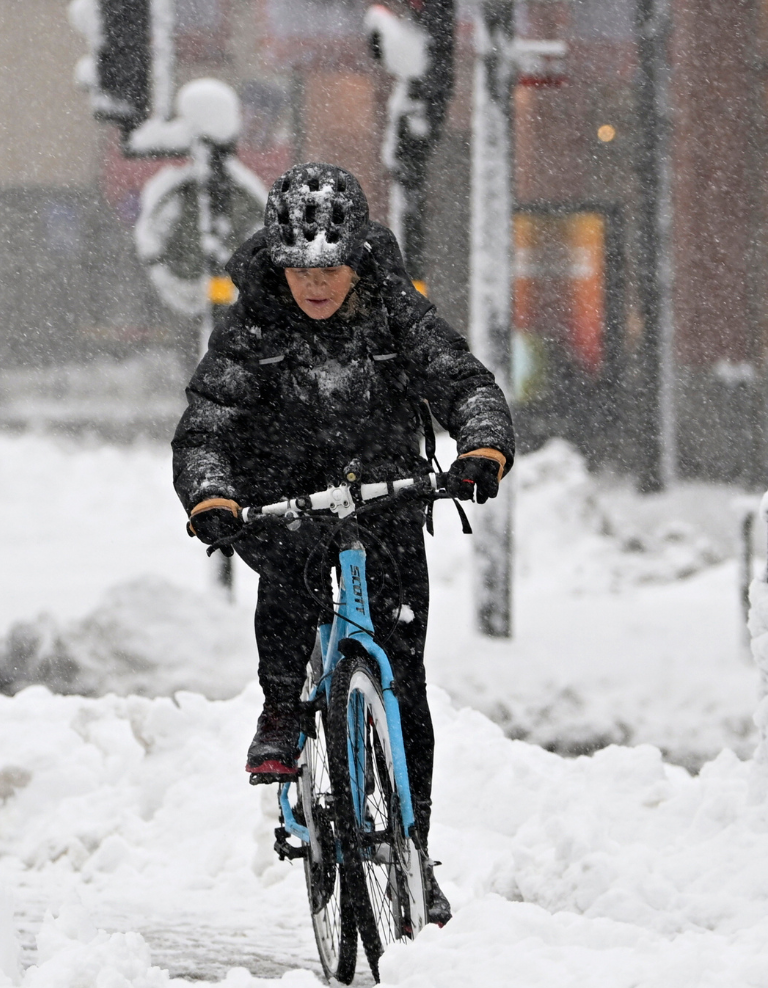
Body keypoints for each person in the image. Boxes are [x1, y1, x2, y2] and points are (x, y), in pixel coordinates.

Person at [172, 163, 513, 926]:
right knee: (291, 586)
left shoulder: (395, 311)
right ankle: (282, 714)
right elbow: (205, 427)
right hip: (284, 504)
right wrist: (213, 494)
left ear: (357, 256)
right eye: (301, 271)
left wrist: (482, 441)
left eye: (330, 268)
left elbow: (462, 380)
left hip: (389, 500)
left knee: (405, 684)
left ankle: (415, 850)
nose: (316, 285)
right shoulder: (254, 325)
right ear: (280, 267)